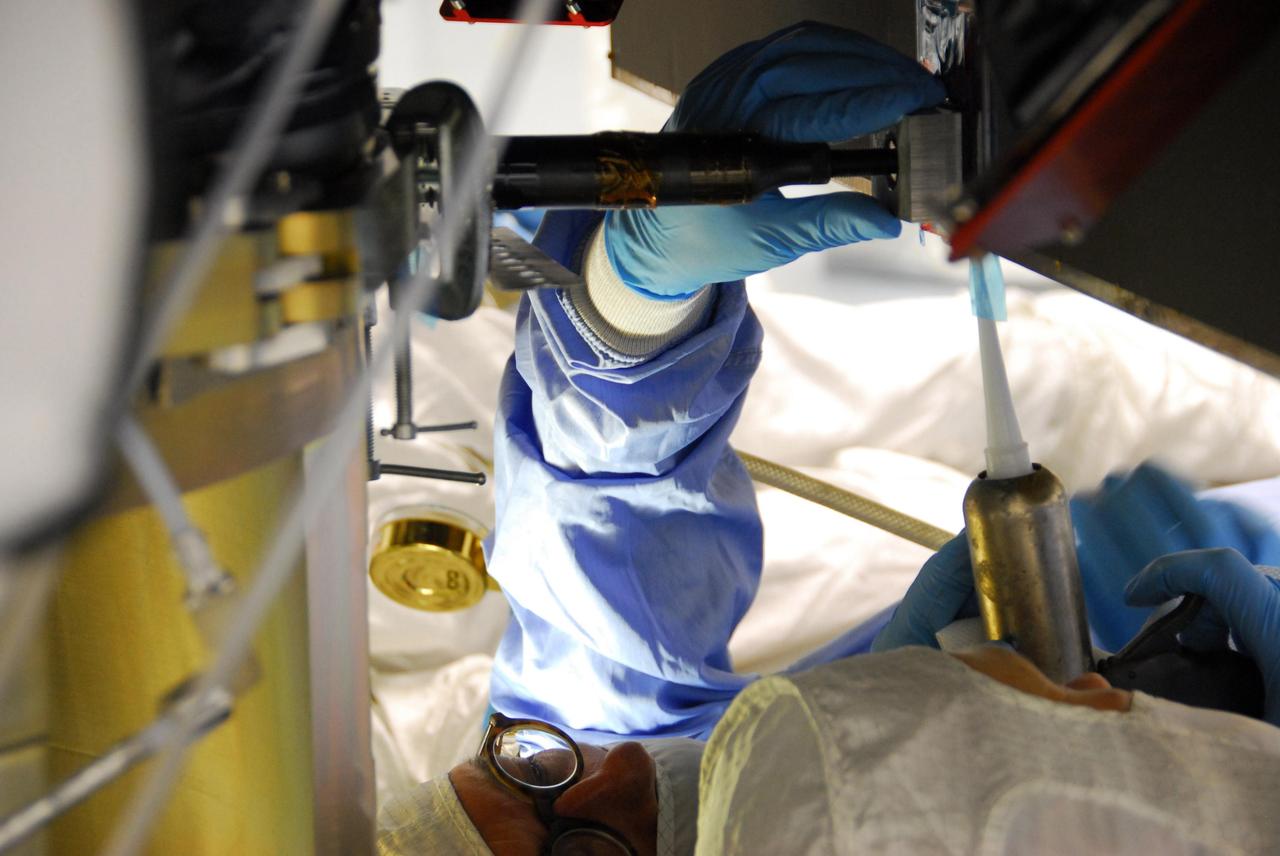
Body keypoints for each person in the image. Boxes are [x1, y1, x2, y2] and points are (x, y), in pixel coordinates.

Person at [377, 20, 1280, 856]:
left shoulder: (588, 753)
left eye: (524, 771)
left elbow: (597, 548)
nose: (616, 772)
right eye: (587, 852)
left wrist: (628, 302)